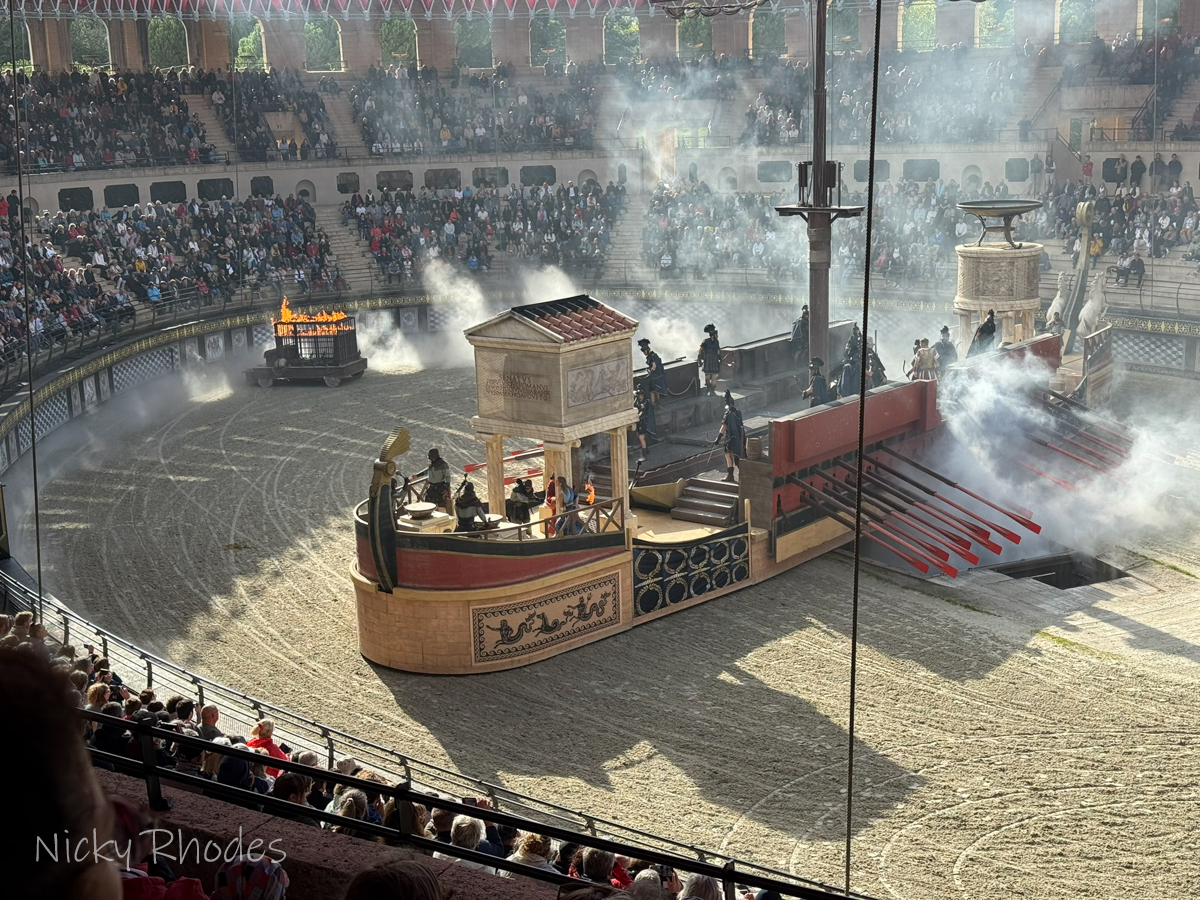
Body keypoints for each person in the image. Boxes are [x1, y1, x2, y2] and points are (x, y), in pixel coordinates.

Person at [713, 390, 746, 484]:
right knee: (737, 455)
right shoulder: (738, 412)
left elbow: (724, 427)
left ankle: (731, 475)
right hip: (740, 436)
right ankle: (741, 474)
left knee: (728, 455)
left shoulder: (727, 414)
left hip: (730, 438)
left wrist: (718, 439)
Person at [422, 448, 452, 513]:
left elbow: (447, 476)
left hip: (440, 489)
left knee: (441, 508)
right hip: (431, 489)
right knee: (428, 506)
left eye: (430, 456)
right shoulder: (432, 465)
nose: (429, 458)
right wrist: (417, 475)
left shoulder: (443, 465)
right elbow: (427, 471)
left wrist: (446, 489)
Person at [639, 338, 667, 404]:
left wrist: (650, 374)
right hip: (657, 377)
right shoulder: (653, 355)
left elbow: (654, 367)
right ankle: (657, 404)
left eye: (644, 351)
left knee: (652, 391)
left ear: (646, 350)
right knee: (656, 390)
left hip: (655, 377)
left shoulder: (652, 356)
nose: (644, 353)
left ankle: (653, 405)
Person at [633, 385, 656, 460]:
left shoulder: (645, 402)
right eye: (639, 396)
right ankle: (646, 450)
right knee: (640, 437)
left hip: (643, 422)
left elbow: (641, 410)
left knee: (641, 437)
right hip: (639, 422)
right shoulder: (636, 401)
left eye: (642, 396)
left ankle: (644, 455)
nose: (640, 397)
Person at [698, 323, 721, 396]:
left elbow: (718, 351)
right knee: (707, 376)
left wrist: (719, 358)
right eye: (716, 334)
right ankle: (708, 389)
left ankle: (712, 390)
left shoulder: (717, 342)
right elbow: (700, 351)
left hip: (714, 359)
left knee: (714, 376)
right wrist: (700, 359)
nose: (717, 336)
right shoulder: (705, 341)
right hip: (708, 359)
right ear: (713, 335)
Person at [790, 305, 809, 369]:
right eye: (806, 315)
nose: (807, 316)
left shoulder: (806, 321)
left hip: (804, 339)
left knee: (804, 350)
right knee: (798, 351)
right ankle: (795, 365)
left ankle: (800, 363)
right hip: (799, 339)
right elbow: (803, 331)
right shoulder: (801, 321)